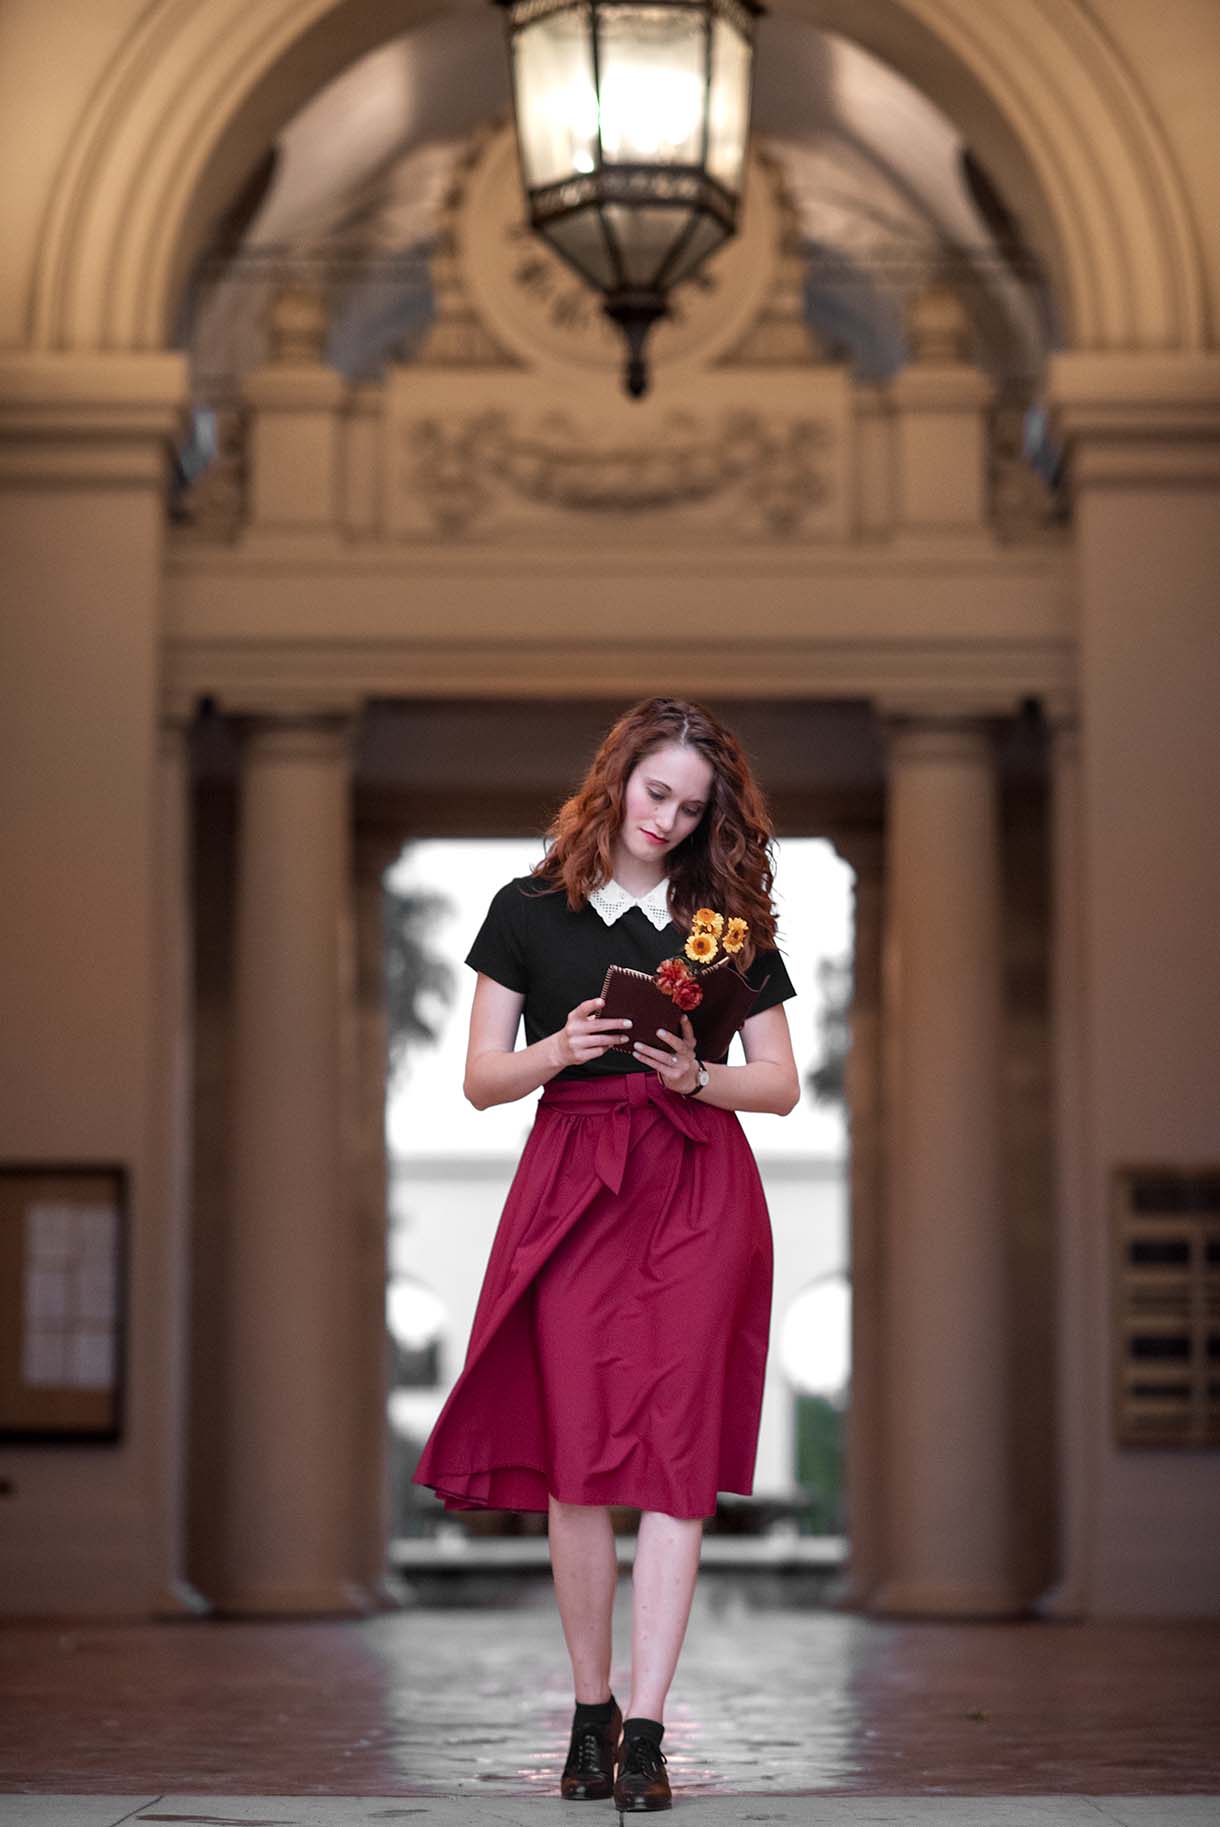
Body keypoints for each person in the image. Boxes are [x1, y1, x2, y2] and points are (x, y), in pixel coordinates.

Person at [411, 695, 800, 1811]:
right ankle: (590, 1710)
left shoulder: (727, 922)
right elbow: (479, 1078)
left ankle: (648, 1731)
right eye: (654, 793)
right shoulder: (529, 907)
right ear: (618, 777)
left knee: (675, 1464)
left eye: (691, 807)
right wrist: (560, 1049)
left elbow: (780, 1084)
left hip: (695, 1185)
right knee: (577, 1462)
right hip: (576, 1183)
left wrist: (698, 1077)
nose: (666, 820)